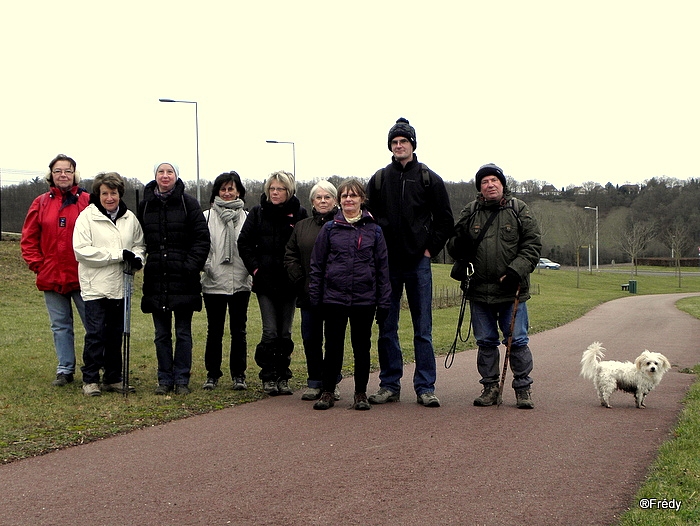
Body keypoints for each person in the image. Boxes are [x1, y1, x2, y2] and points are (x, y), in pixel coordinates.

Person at [365, 118, 454, 408]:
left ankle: (425, 387)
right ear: (390, 147)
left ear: (413, 145)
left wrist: (429, 249)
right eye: (394, 142)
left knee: (422, 329)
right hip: (387, 264)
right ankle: (390, 384)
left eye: (403, 141)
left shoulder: (429, 178)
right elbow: (369, 219)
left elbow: (444, 220)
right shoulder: (379, 179)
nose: (399, 145)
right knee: (387, 328)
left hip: (419, 263)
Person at [447, 163, 541, 409]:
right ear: (480, 187)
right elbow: (453, 247)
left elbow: (532, 245)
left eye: (494, 181)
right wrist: (460, 242)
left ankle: (523, 389)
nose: (490, 185)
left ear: (502, 184)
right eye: (485, 182)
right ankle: (490, 388)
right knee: (486, 342)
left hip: (512, 291)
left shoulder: (519, 209)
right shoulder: (470, 211)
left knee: (517, 341)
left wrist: (515, 271)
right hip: (478, 291)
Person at [308, 178, 391, 410]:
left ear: (361, 199)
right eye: (344, 196)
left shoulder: (374, 231)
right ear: (339, 200)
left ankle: (360, 393)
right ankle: (327, 392)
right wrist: (316, 298)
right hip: (333, 298)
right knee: (333, 346)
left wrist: (384, 303)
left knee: (361, 347)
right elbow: (317, 265)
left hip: (364, 300)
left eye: (353, 196)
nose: (348, 200)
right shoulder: (330, 229)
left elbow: (382, 269)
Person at [138, 162, 210, 395]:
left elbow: (202, 239)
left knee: (183, 332)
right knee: (161, 334)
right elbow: (138, 239)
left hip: (183, 278)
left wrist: (190, 267)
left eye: (170, 172)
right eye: (161, 171)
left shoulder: (189, 204)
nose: (165, 176)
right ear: (155, 176)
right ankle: (164, 379)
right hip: (156, 277)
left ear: (176, 176)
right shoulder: (145, 205)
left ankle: (181, 379)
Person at [73, 172, 146, 396]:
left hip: (120, 286)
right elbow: (82, 251)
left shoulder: (130, 218)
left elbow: (139, 245)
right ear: (98, 194)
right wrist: (118, 254)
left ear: (119, 194)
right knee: (95, 334)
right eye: (105, 193)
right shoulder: (87, 217)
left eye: (113, 193)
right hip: (95, 286)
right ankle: (91, 379)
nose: (109, 198)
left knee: (116, 334)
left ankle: (113, 378)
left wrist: (137, 259)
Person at [21, 154, 91, 387]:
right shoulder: (40, 203)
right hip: (51, 277)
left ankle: (94, 368)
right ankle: (65, 369)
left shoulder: (88, 201)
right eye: (59, 170)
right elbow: (29, 239)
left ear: (75, 174)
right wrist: (38, 266)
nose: (63, 175)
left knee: (92, 324)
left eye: (68, 170)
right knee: (60, 326)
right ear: (51, 174)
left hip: (82, 277)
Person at [238, 171, 307, 396]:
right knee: (270, 331)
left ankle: (283, 375)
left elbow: (302, 246)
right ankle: (268, 376)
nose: (275, 193)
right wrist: (256, 269)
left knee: (285, 332)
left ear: (289, 191)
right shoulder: (257, 213)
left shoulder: (299, 214)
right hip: (265, 282)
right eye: (272, 189)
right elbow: (244, 243)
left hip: (289, 282)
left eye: (280, 189)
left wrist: (297, 273)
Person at [284, 180, 340, 401]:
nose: (323, 201)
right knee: (311, 338)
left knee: (333, 340)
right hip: (309, 292)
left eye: (327, 197)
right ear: (312, 202)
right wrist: (299, 278)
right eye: (319, 197)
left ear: (335, 200)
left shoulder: (342, 224)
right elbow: (290, 254)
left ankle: (331, 383)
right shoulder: (301, 226)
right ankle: (314, 381)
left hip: (336, 293)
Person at [201, 171, 252, 391]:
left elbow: (252, 247)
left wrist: (248, 271)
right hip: (214, 282)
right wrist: (209, 267)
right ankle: (212, 374)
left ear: (238, 191)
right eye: (223, 189)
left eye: (231, 189)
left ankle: (238, 374)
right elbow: (201, 247)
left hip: (240, 282)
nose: (227, 193)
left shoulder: (247, 217)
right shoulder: (207, 217)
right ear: (217, 192)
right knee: (215, 331)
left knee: (238, 331)